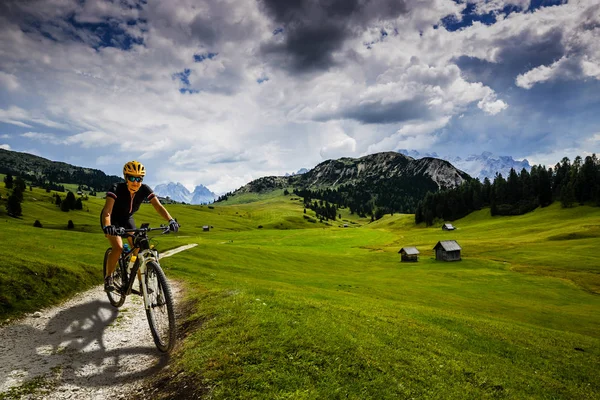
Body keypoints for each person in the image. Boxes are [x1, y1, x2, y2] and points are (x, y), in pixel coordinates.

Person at [101, 160, 179, 291]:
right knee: (118, 247)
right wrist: (108, 226)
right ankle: (108, 278)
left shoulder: (144, 189)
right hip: (112, 220)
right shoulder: (116, 188)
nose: (135, 182)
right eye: (132, 178)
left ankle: (142, 284)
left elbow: (158, 207)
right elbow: (107, 211)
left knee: (138, 249)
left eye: (139, 178)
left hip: (127, 219)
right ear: (126, 178)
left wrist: (171, 220)